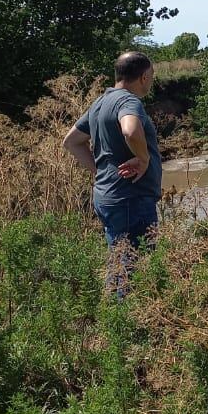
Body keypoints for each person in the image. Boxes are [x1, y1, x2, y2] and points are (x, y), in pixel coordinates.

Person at [63, 51, 162, 295]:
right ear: (143, 76)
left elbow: (71, 141)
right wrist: (144, 158)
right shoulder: (128, 102)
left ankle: (116, 321)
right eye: (151, 76)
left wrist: (99, 174)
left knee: (119, 261)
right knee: (137, 268)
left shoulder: (99, 103)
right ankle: (132, 325)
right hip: (131, 198)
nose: (151, 81)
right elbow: (130, 131)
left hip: (107, 195)